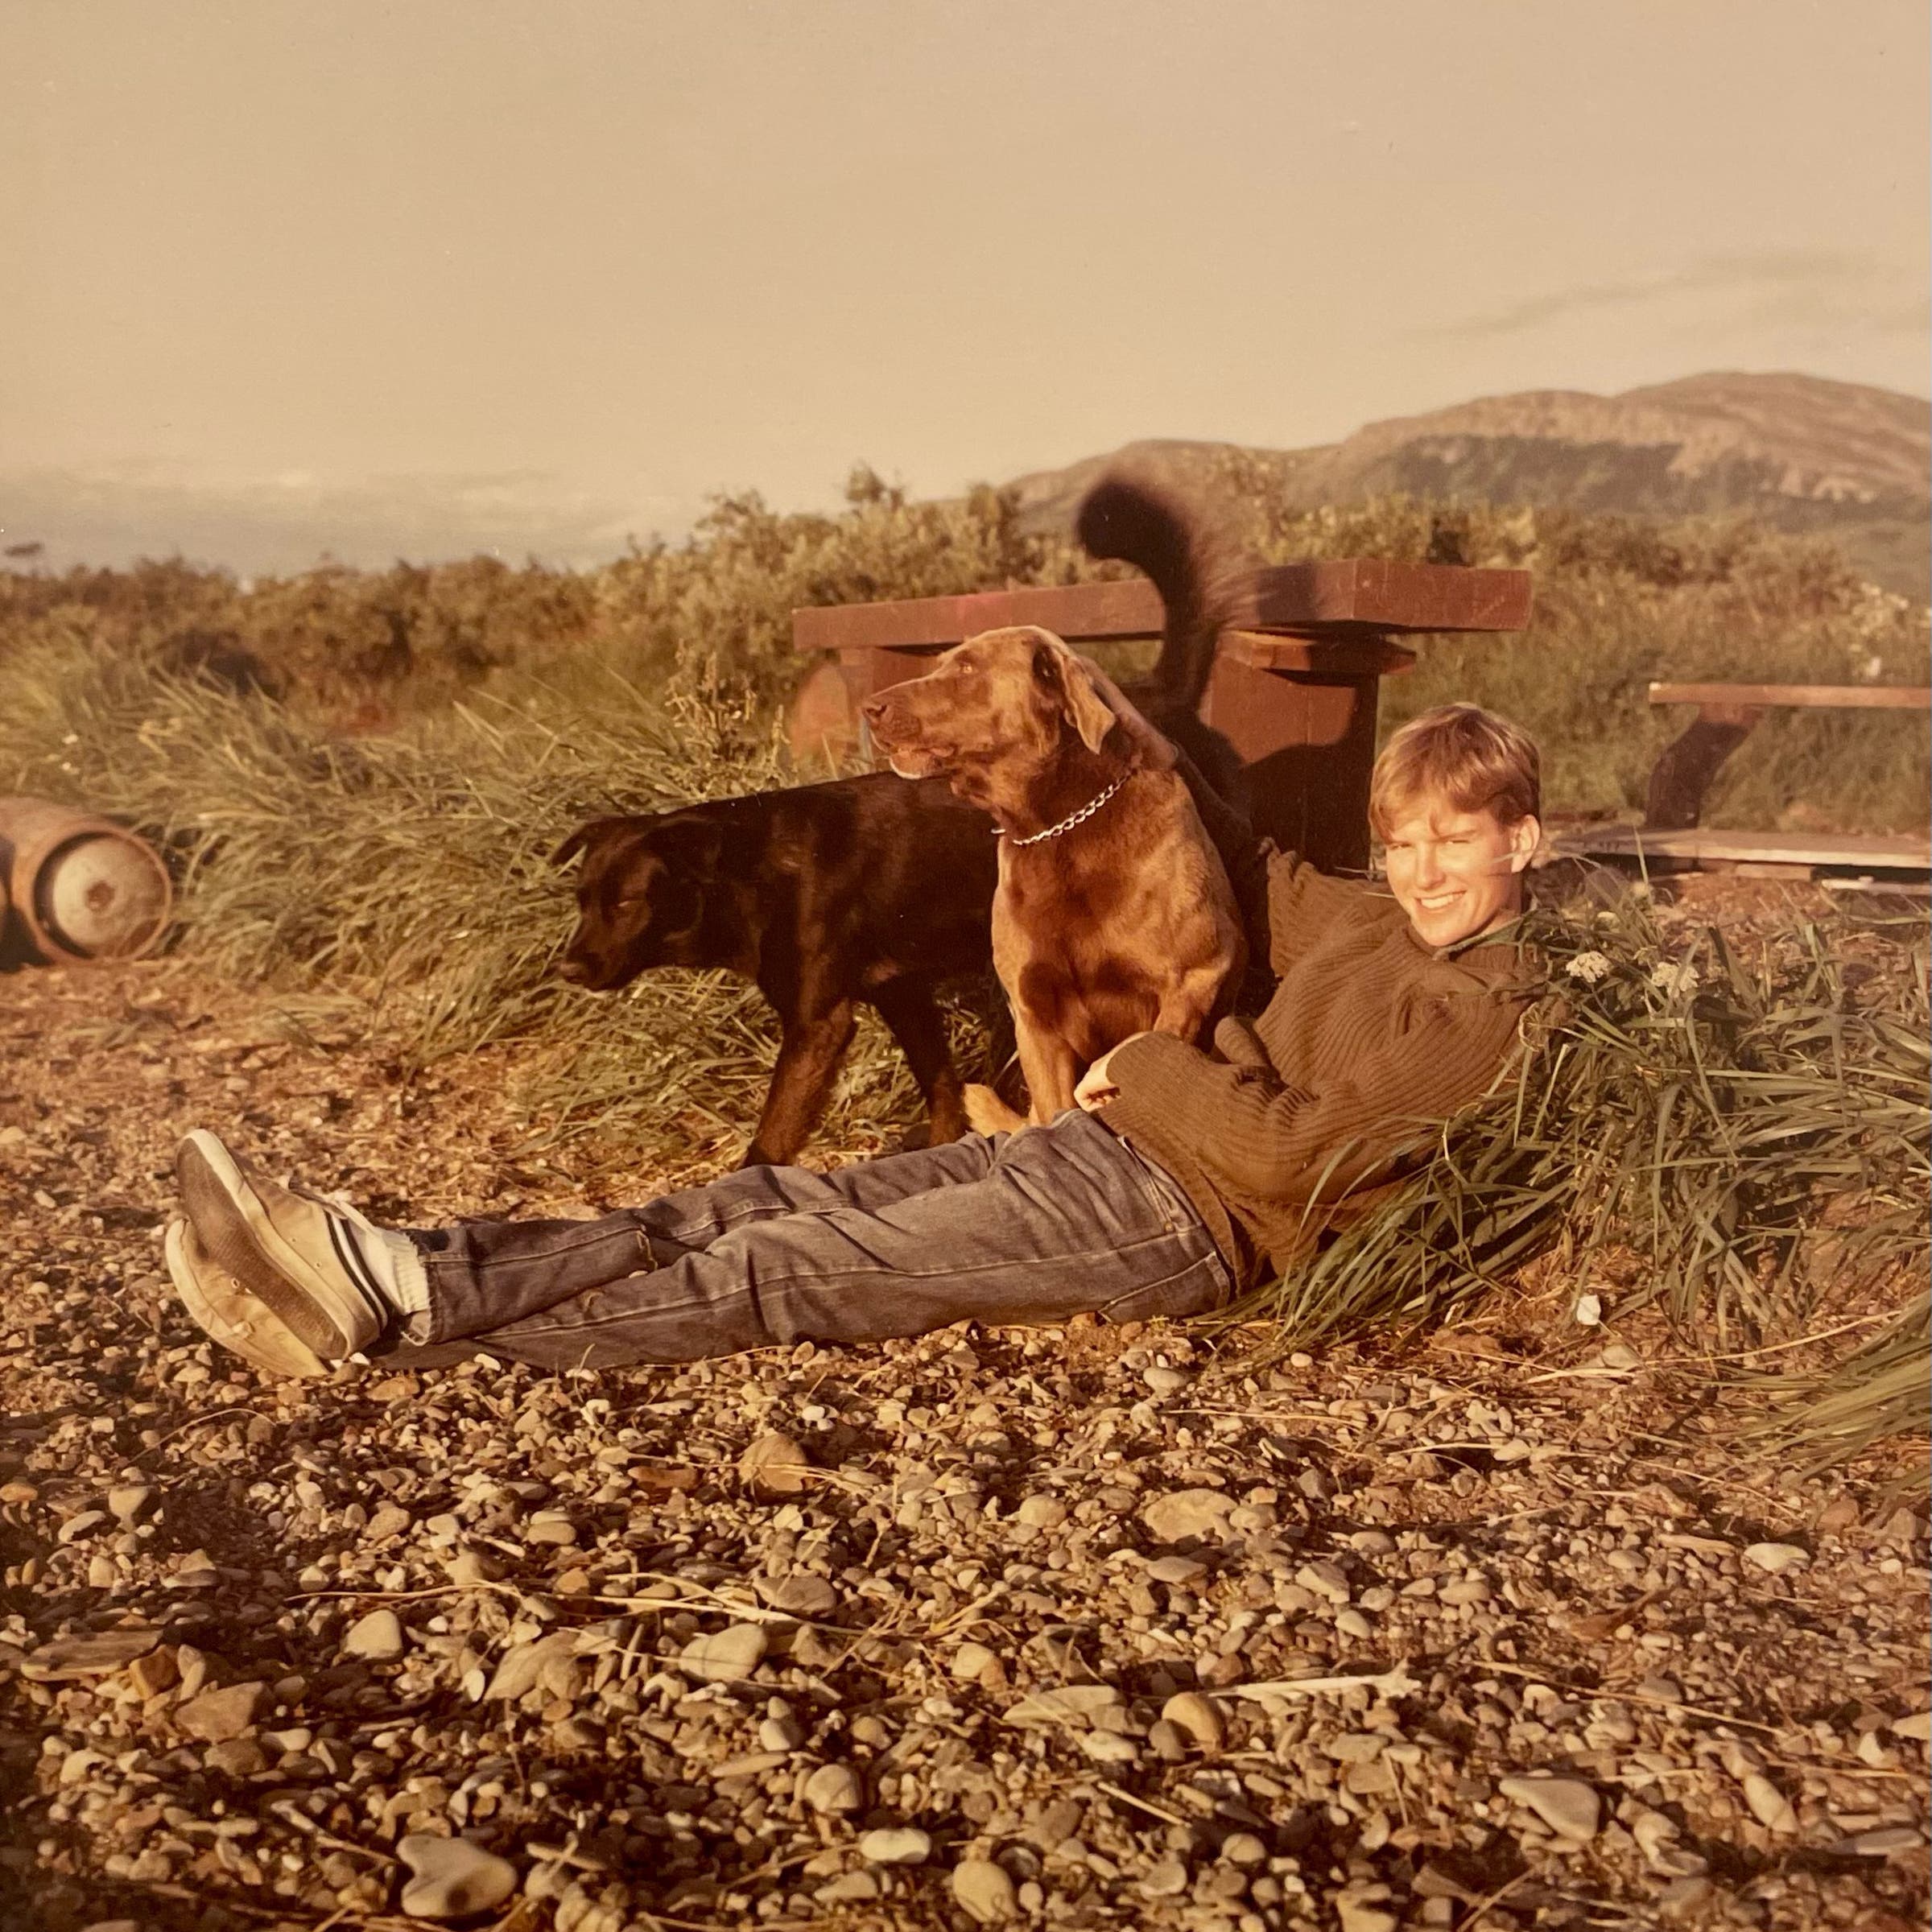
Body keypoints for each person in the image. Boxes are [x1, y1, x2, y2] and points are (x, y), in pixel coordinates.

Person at [163, 704, 1547, 1381]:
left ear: (1525, 843)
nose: (1425, 870)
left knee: (792, 1263)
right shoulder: (1367, 924)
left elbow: (1297, 1153)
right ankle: (405, 1269)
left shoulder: (1486, 1007)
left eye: (1458, 842)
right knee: (759, 1195)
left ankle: (406, 1346)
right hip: (1112, 1154)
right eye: (1406, 838)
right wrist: (1065, 736)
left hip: (1181, 1219)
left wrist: (1154, 1067)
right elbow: (1223, 853)